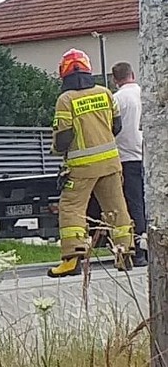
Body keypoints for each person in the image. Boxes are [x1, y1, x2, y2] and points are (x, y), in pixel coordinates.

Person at [47, 49, 134, 277]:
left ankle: (72, 258)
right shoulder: (105, 93)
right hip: (111, 163)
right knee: (116, 208)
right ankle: (125, 253)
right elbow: (117, 127)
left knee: (71, 208)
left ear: (64, 73)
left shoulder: (66, 100)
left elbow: (64, 137)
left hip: (82, 167)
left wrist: (56, 149)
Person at [111, 61, 147, 267]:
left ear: (115, 80)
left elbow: (112, 128)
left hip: (126, 157)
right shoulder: (144, 93)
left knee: (133, 204)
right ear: (132, 74)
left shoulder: (116, 99)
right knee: (149, 203)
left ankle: (139, 251)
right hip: (147, 155)